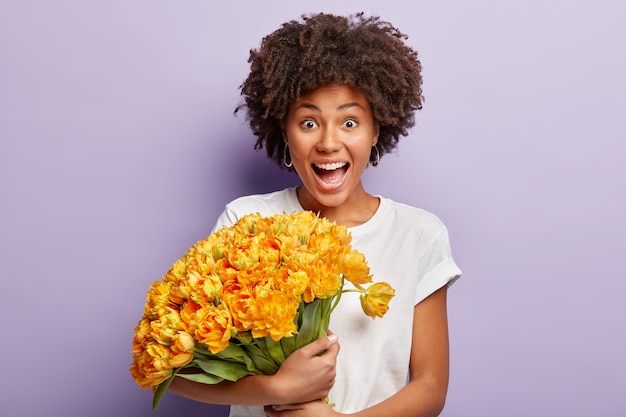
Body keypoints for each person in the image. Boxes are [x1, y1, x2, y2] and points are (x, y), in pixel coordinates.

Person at [169, 12, 462, 417]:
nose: (328, 142)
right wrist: (278, 387)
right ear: (285, 132)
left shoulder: (418, 234)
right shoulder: (247, 219)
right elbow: (175, 369)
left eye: (349, 121)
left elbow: (430, 388)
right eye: (308, 122)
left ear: (375, 131)